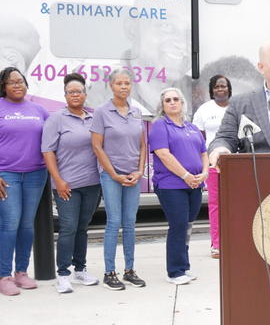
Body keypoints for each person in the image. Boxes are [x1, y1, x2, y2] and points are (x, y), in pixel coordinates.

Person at [41, 73, 101, 294]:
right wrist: (58, 180)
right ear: (65, 95)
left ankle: (80, 269)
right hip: (67, 184)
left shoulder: (93, 118)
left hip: (92, 183)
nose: (75, 95)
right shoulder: (56, 118)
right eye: (70, 92)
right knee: (68, 228)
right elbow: (47, 151)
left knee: (83, 228)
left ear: (85, 94)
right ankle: (63, 274)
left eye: (79, 91)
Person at [90, 69, 147, 291]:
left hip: (133, 175)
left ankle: (129, 270)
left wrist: (140, 171)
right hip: (112, 176)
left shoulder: (136, 112)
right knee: (114, 222)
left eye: (127, 83)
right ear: (111, 86)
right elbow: (96, 146)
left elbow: (142, 144)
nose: (124, 87)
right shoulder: (102, 112)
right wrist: (113, 174)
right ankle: (109, 272)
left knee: (130, 223)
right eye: (119, 83)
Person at [150, 88, 208, 285]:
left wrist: (204, 173)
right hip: (171, 185)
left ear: (182, 103)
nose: (172, 102)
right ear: (163, 105)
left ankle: (184, 266)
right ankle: (174, 271)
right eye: (168, 100)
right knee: (178, 225)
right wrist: (185, 175)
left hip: (194, 184)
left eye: (176, 99)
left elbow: (203, 153)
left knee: (188, 226)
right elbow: (164, 155)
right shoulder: (159, 126)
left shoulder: (191, 127)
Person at [0, 67, 49, 296]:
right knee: (10, 224)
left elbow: (54, 138)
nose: (17, 85)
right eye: (12, 82)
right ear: (4, 87)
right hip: (6, 175)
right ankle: (4, 275)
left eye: (20, 81)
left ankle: (21, 272)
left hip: (35, 175)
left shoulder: (39, 110)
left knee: (26, 224)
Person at [192, 74, 232, 259]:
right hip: (214, 164)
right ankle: (217, 244)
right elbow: (198, 139)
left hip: (236, 164)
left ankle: (236, 240)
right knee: (215, 204)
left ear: (229, 88)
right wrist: (202, 165)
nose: (220, 89)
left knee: (235, 204)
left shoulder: (237, 107)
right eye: (216, 87)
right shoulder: (204, 110)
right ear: (211, 90)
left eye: (223, 86)